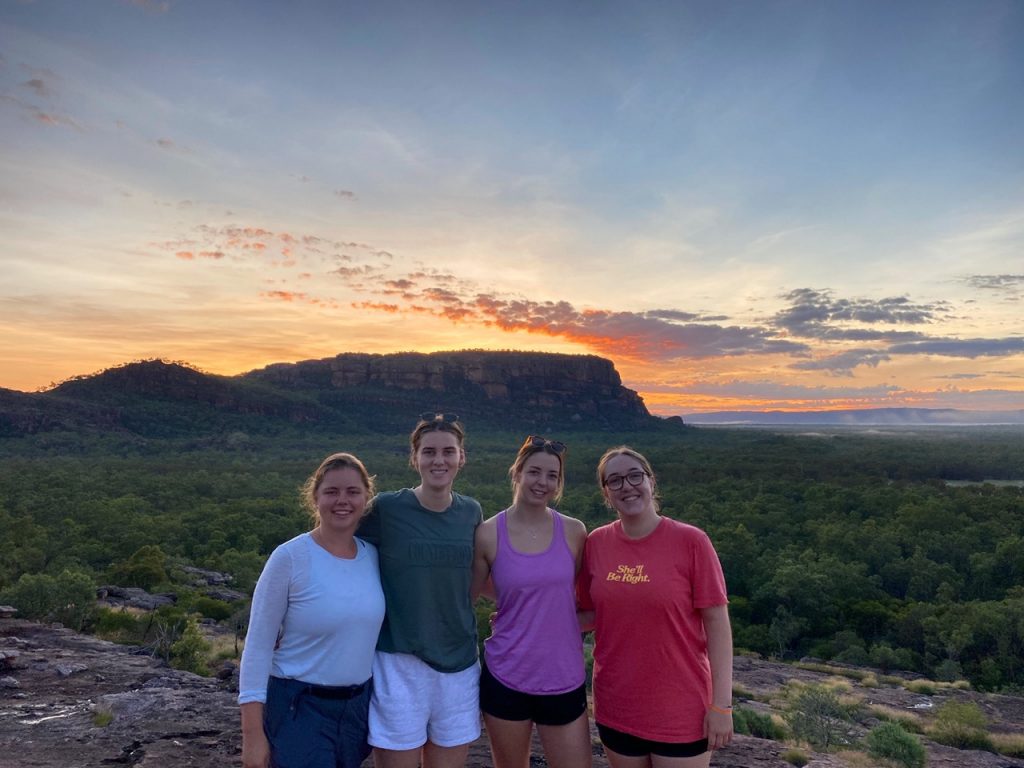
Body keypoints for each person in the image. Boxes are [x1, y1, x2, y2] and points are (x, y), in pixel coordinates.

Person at [577, 446, 733, 768]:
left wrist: (722, 706)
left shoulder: (691, 542)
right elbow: (590, 616)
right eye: (615, 480)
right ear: (606, 493)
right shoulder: (596, 543)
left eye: (635, 476)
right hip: (616, 706)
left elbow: (717, 625)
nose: (627, 486)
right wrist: (521, 619)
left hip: (681, 709)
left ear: (651, 481)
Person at [239, 452, 386, 768]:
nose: (342, 501)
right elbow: (257, 647)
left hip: (356, 711)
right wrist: (252, 735)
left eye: (352, 491)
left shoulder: (373, 557)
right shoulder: (290, 558)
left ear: (366, 498)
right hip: (299, 705)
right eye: (331, 491)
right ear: (315, 497)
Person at [358, 412, 483, 768]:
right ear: (414, 458)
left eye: (448, 451)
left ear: (462, 457)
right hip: (398, 662)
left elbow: (475, 578)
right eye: (429, 452)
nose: (439, 460)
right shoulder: (387, 508)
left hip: (459, 663)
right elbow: (339, 552)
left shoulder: (471, 512)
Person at [471, 435, 591, 768]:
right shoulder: (488, 533)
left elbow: (574, 597)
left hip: (563, 675)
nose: (543, 482)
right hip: (506, 674)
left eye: (552, 475)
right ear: (517, 473)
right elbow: (470, 593)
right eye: (535, 472)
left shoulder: (574, 532)